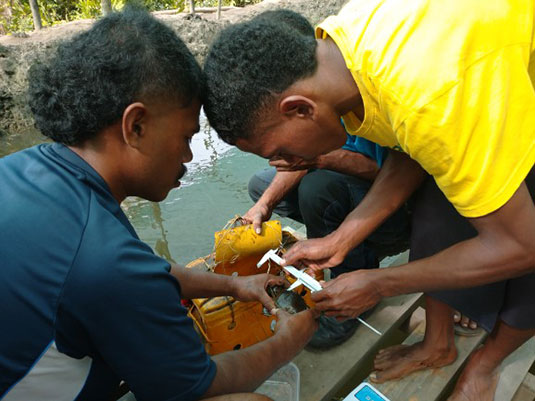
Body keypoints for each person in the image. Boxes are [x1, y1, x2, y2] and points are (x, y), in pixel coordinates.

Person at [202, 1, 535, 399]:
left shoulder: (428, 96)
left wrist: (380, 283)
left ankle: (487, 362)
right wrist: (339, 240)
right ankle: (437, 345)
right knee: (435, 203)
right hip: (470, 83)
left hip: (510, 87)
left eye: (281, 152)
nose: (287, 164)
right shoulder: (341, 47)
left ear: (300, 109)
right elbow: (411, 150)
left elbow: (523, 245)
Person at [0, 8, 318, 401]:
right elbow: (196, 386)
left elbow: (142, 271)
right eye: (186, 136)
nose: (188, 155)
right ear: (136, 126)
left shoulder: (27, 168)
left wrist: (235, 285)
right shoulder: (102, 261)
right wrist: (290, 339)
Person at [242, 10, 411, 348]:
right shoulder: (328, 85)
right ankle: (332, 246)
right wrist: (263, 206)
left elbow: (396, 172)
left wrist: (319, 160)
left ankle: (349, 288)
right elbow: (304, 154)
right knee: (263, 186)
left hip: (407, 208)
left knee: (319, 189)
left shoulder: (380, 88)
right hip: (372, 186)